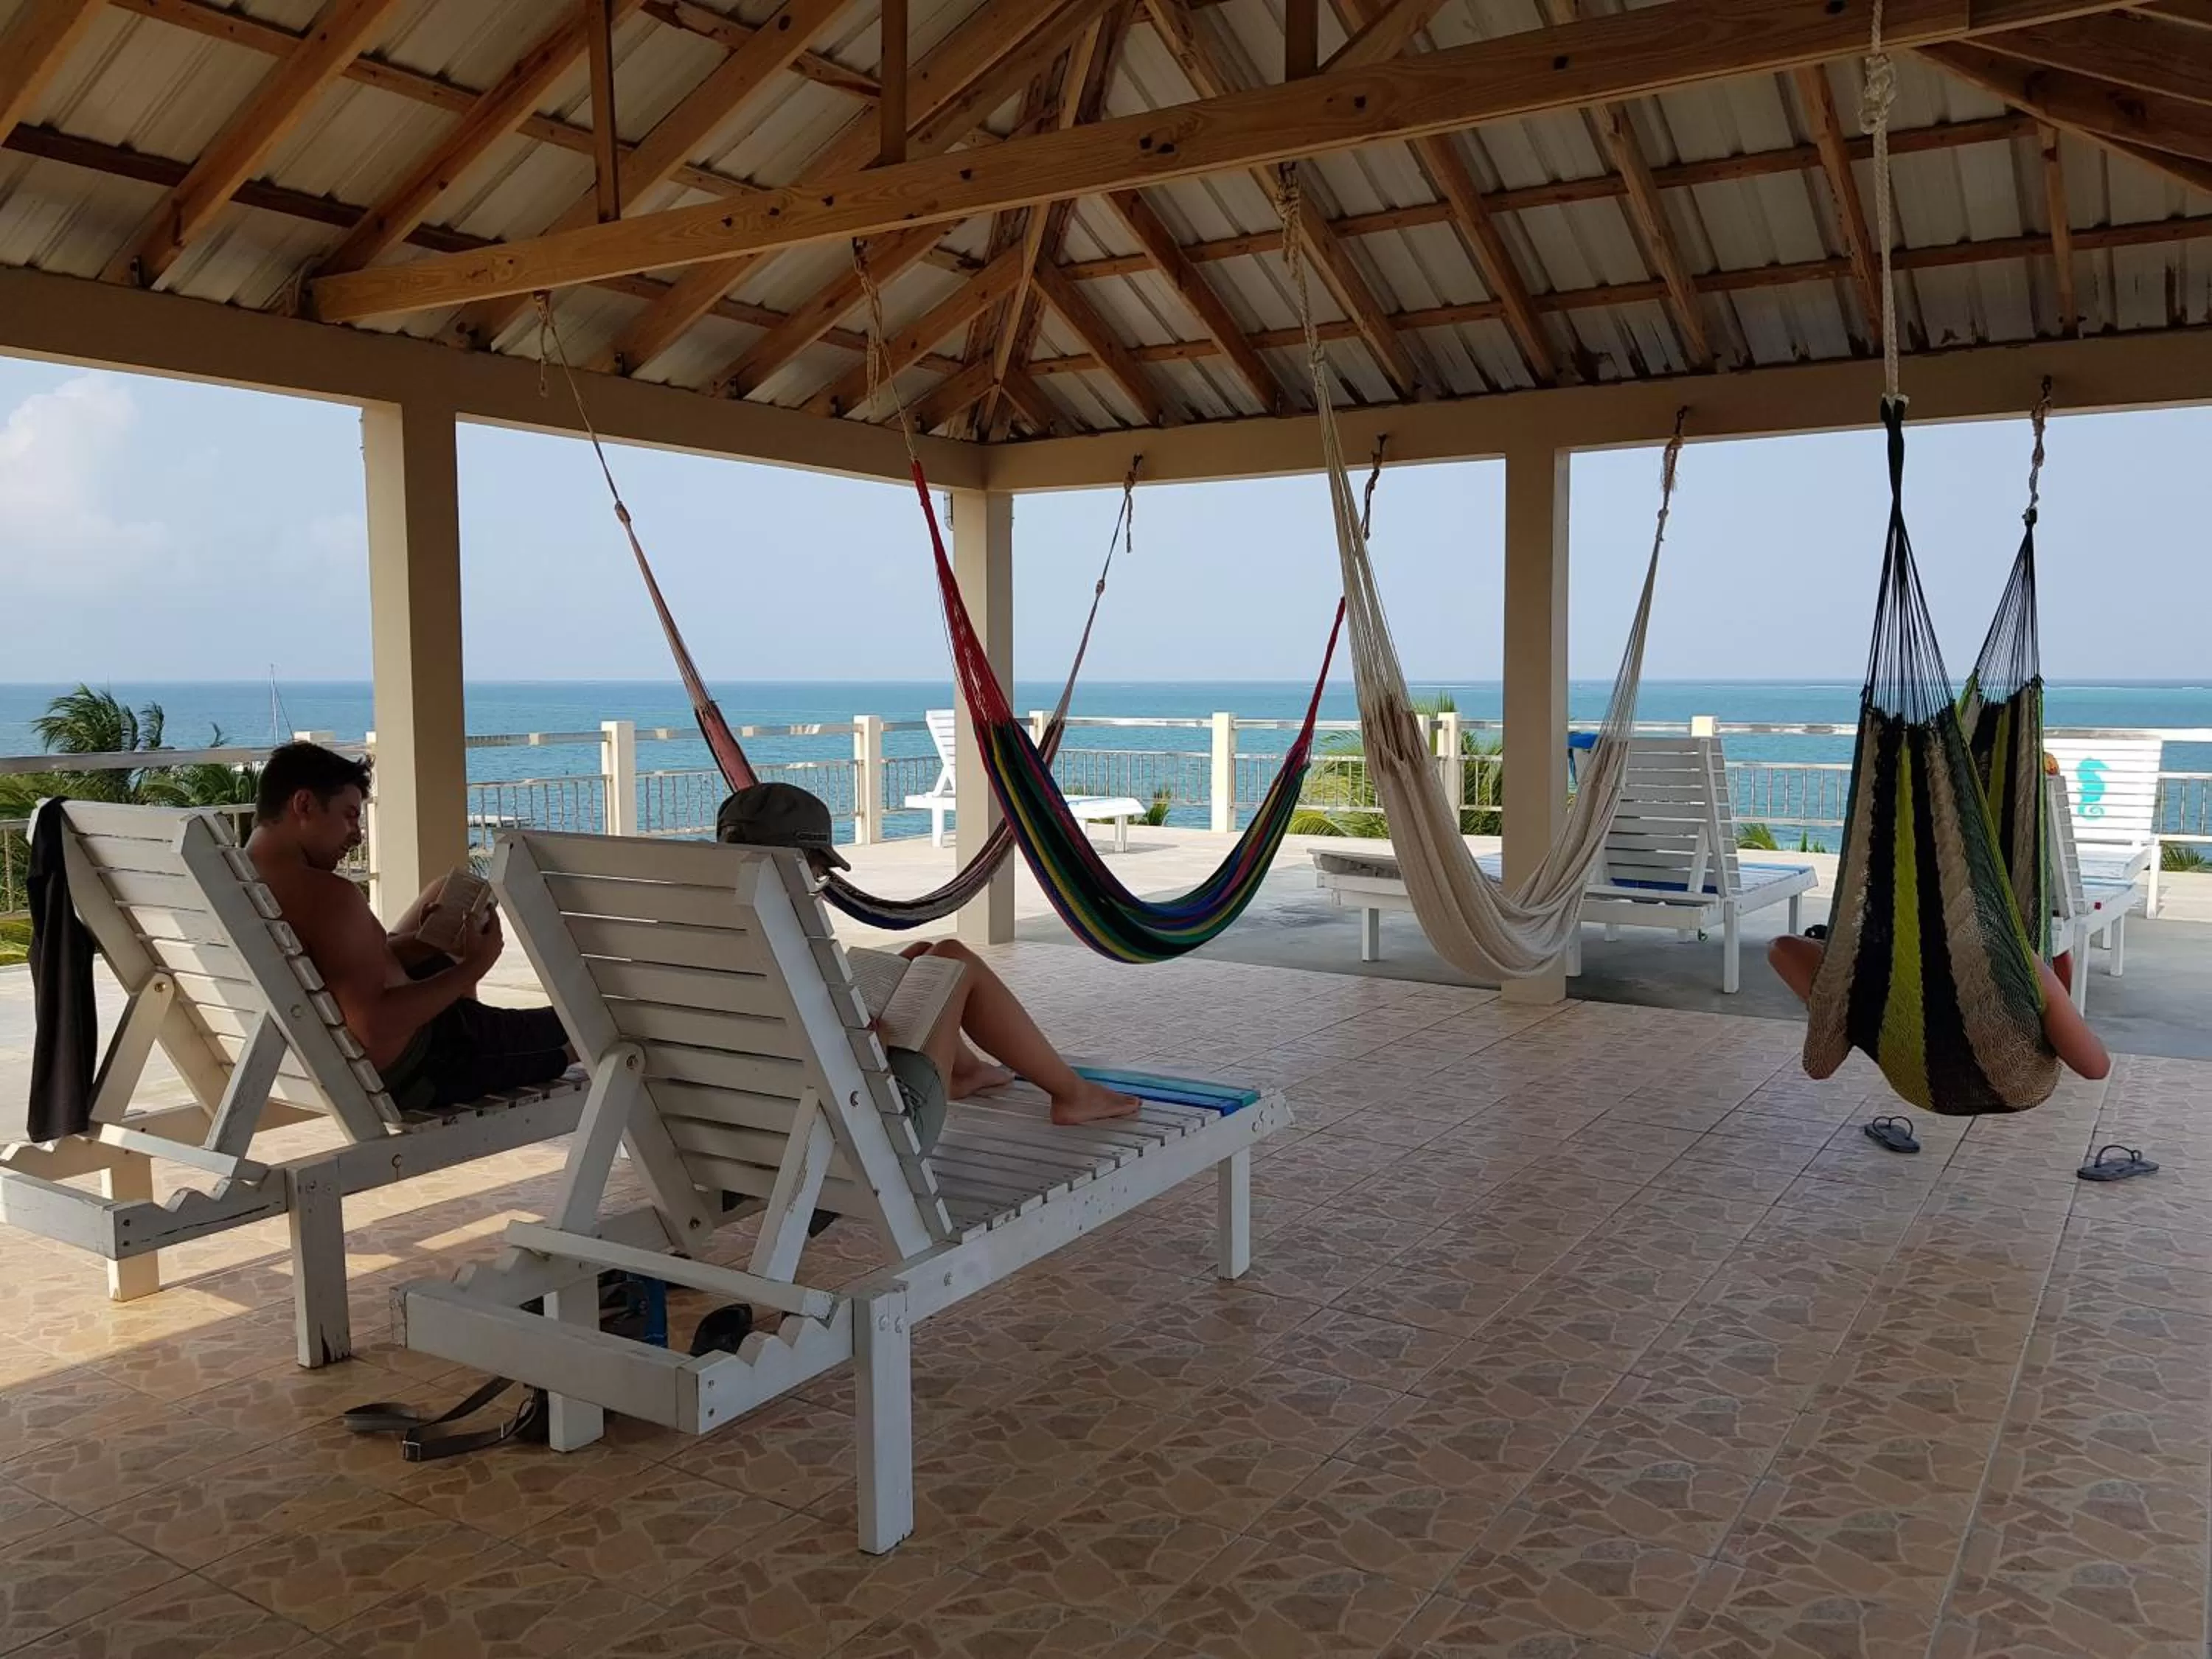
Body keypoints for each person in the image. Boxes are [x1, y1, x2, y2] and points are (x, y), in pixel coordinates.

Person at [714, 782, 1141, 1141]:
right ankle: (1074, 1095)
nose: (818, 885)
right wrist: (872, 1038)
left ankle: (967, 1072)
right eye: (817, 871)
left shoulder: (697, 936)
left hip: (743, 1127)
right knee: (955, 960)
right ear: (793, 864)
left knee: (923, 959)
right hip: (869, 1130)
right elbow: (859, 1051)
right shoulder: (791, 935)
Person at [246, 742, 572, 1115]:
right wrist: (474, 967)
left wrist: (422, 945)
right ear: (303, 805)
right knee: (586, 1029)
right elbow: (372, 1025)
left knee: (450, 893)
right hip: (430, 1067)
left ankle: (476, 1014)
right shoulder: (329, 897)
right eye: (349, 816)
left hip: (373, 1054)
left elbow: (338, 970)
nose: (357, 835)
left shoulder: (243, 880)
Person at [1767, 932, 2110, 1080]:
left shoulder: (1876, 963)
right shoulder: (2019, 967)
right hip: (1984, 1071)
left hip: (1900, 1032)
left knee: (1782, 947)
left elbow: (1819, 1068)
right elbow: (2095, 1067)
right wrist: (2058, 985)